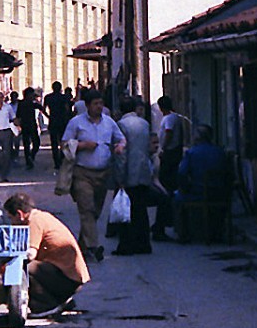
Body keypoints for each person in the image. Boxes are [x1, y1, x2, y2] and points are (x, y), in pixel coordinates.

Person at [61, 89, 126, 261]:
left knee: (95, 211)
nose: (99, 107)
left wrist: (120, 146)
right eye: (95, 104)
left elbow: (121, 138)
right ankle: (93, 247)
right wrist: (82, 145)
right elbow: (64, 144)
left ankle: (82, 244)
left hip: (103, 173)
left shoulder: (109, 123)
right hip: (82, 173)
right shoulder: (76, 123)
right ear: (87, 105)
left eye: (101, 103)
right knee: (86, 208)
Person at [3, 193, 90, 317]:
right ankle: (59, 300)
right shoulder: (41, 216)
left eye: (11, 218)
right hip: (70, 276)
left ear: (20, 214)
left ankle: (46, 306)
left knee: (22, 268)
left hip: (67, 279)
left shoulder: (34, 221)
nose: (11, 223)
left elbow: (30, 254)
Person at [112, 97, 154, 256]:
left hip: (129, 171)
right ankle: (144, 243)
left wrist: (120, 176)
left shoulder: (121, 125)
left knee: (127, 210)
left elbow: (122, 153)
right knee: (140, 209)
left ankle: (127, 245)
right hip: (142, 169)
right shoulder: (144, 123)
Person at [152, 95, 183, 242]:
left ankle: (164, 221)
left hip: (170, 154)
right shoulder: (174, 117)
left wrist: (163, 148)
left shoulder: (169, 119)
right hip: (172, 153)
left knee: (165, 189)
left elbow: (168, 133)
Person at [43, 81, 73, 171]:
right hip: (62, 121)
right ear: (60, 88)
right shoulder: (64, 97)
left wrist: (48, 116)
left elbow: (43, 109)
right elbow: (68, 109)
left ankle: (56, 162)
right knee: (63, 141)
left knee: (54, 143)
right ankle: (62, 158)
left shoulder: (48, 97)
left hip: (53, 121)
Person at [15, 87, 43, 169]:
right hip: (29, 125)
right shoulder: (29, 103)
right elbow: (41, 108)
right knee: (34, 143)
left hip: (27, 125)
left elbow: (18, 115)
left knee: (27, 144)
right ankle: (30, 157)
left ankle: (29, 158)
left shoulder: (23, 103)